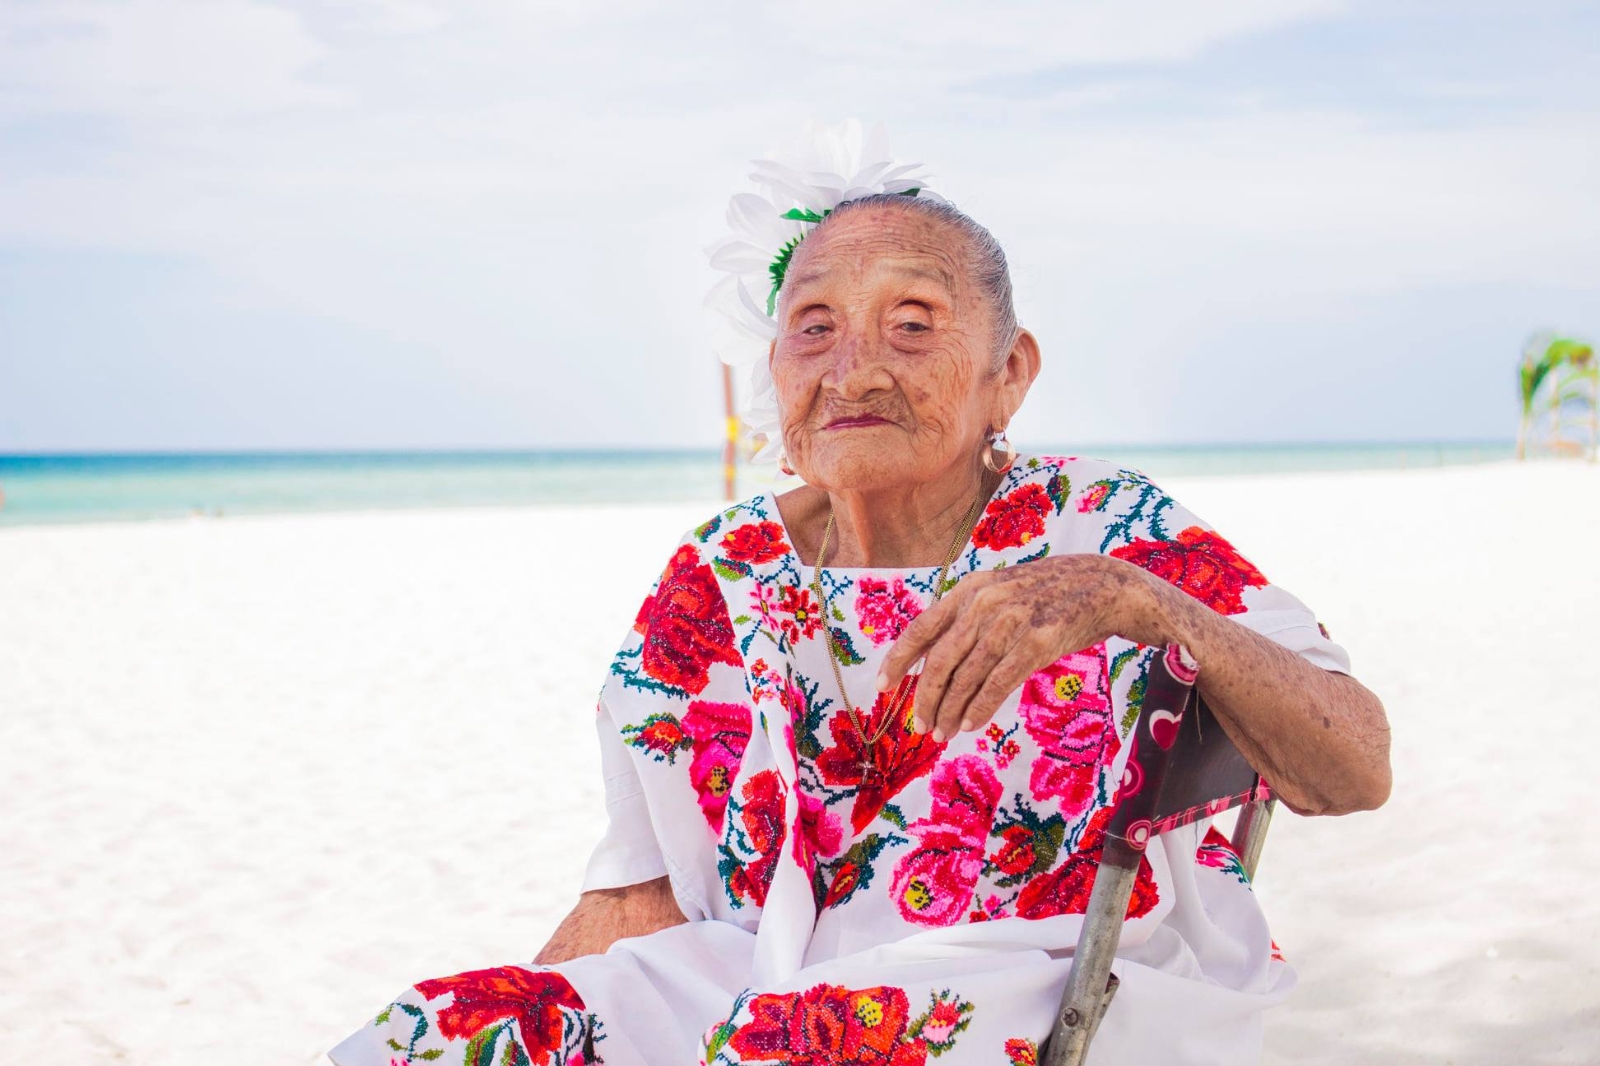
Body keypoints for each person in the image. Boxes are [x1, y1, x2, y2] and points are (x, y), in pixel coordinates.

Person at [331, 158, 1390, 1066]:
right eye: (815, 327)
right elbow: (639, 893)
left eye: (913, 322)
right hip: (752, 970)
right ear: (775, 375)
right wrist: (522, 1017)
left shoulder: (1095, 523)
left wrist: (1135, 601)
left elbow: (1355, 766)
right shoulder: (721, 570)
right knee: (430, 1032)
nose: (855, 367)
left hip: (1052, 974)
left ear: (1005, 374)